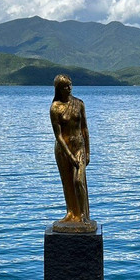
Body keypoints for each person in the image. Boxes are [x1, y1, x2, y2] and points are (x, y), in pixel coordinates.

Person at [50, 74, 92, 225]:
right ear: (59, 89)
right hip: (63, 149)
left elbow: (85, 129)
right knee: (67, 182)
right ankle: (71, 212)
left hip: (78, 146)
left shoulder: (79, 104)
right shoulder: (55, 108)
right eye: (65, 86)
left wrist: (87, 151)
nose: (69, 88)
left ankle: (83, 214)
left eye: (70, 85)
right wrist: (69, 155)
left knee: (78, 180)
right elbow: (58, 135)